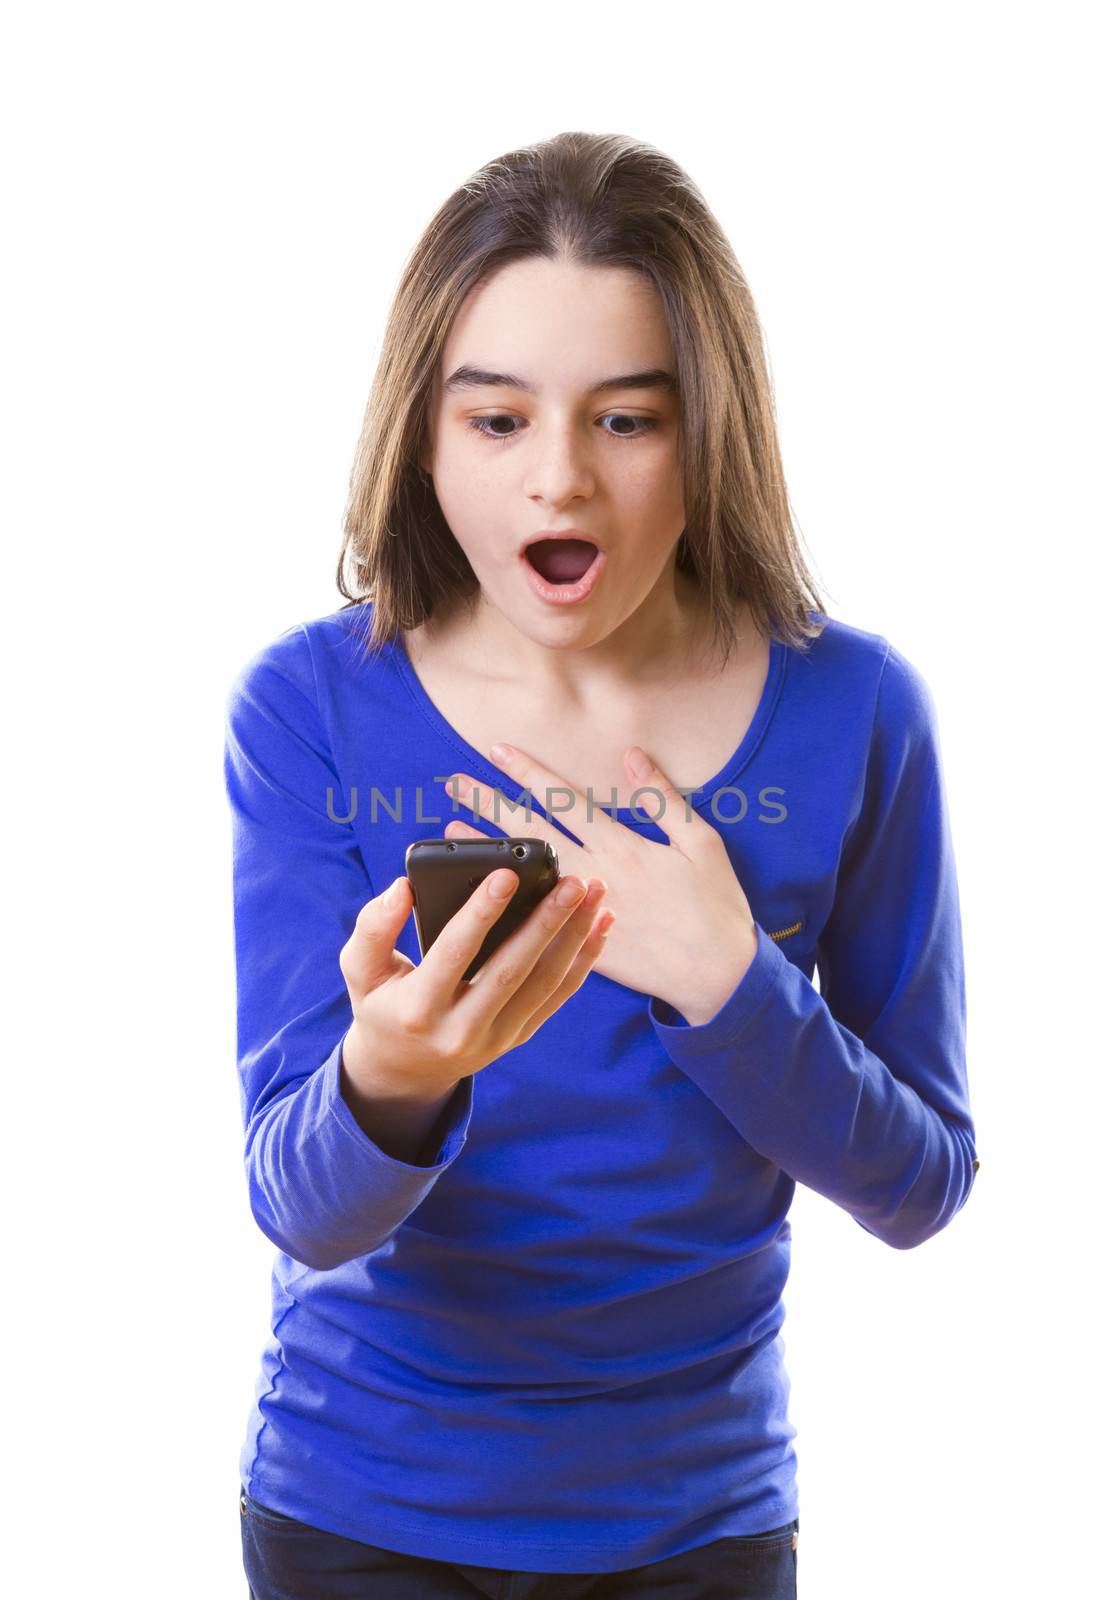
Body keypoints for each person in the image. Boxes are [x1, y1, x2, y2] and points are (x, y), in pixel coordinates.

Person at [224, 130, 979, 1600]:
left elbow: (919, 1181)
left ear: (712, 434)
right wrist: (392, 1074)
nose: (559, 481)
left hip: (695, 1533)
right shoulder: (309, 709)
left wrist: (727, 980)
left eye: (628, 422)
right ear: (423, 440)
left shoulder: (857, 713)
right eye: (496, 421)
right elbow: (298, 1204)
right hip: (355, 1514)